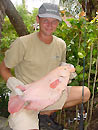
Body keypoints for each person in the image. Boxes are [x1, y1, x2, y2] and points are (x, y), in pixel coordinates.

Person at [0, 2, 90, 130]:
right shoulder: (22, 43)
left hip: (50, 94)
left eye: (54, 21)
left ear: (58, 23)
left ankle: (44, 113)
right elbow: (3, 67)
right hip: (26, 98)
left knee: (84, 93)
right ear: (38, 19)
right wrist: (12, 82)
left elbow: (60, 67)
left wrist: (67, 72)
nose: (50, 25)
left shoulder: (61, 44)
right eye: (46, 20)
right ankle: (28, 114)